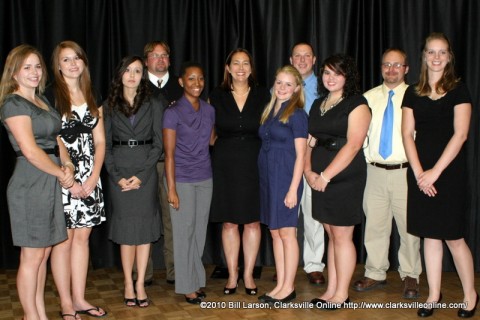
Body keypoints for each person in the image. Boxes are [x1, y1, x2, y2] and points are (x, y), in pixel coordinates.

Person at [401, 32, 477, 318]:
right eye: (431, 52)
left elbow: (461, 135)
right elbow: (407, 134)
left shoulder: (459, 89)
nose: (436, 57)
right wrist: (421, 172)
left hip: (448, 172)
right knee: (429, 236)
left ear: (449, 57)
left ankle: (470, 294)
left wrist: (435, 172)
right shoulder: (413, 91)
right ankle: (433, 295)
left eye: (441, 52)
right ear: (424, 57)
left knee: (454, 238)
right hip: (420, 172)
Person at [0, 44, 74, 320]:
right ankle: (31, 317)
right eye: (26, 67)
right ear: (14, 73)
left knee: (42, 254)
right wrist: (60, 173)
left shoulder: (42, 101)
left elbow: (57, 140)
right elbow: (30, 151)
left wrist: (67, 165)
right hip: (30, 184)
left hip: (51, 181)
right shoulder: (12, 103)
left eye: (37, 66)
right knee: (31, 258)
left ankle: (40, 314)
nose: (34, 72)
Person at [46, 40, 107, 319]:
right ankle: (66, 304)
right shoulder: (50, 96)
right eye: (66, 59)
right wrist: (68, 177)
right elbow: (54, 139)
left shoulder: (92, 94)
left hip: (91, 178)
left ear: (84, 62)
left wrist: (94, 177)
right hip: (63, 176)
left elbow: (101, 141)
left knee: (83, 238)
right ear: (58, 66)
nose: (72, 64)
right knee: (64, 240)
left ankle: (80, 299)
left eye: (77, 58)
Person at [353, 48, 421, 299]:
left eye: (397, 65)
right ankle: (375, 271)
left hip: (406, 171)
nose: (391, 70)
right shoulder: (367, 98)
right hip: (374, 172)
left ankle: (411, 273)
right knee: (375, 225)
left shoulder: (416, 96)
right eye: (386, 65)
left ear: (406, 69)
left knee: (409, 227)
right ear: (381, 67)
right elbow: (359, 134)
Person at [305, 54, 371, 309]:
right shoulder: (318, 103)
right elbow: (310, 141)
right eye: (327, 73)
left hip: (344, 177)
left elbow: (354, 145)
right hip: (318, 176)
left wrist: (325, 176)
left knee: (342, 236)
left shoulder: (357, 103)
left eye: (337, 73)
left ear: (348, 76)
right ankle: (330, 290)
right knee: (331, 234)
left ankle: (341, 294)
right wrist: (308, 172)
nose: (331, 78)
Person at [209, 48, 270, 296]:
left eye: (246, 63)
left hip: (255, 163)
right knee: (230, 222)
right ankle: (233, 274)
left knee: (253, 222)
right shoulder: (216, 95)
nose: (241, 67)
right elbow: (209, 132)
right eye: (236, 63)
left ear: (251, 68)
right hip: (225, 163)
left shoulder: (263, 94)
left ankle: (248, 275)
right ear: (228, 68)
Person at [104, 56, 164, 308]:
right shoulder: (107, 106)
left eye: (137, 71)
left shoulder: (154, 104)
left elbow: (159, 143)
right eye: (127, 70)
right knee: (127, 233)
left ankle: (140, 284)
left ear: (143, 75)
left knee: (143, 233)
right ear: (120, 74)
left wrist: (142, 174)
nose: (132, 75)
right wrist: (117, 177)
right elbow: (103, 146)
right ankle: (128, 282)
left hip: (145, 172)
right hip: (119, 171)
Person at [163, 62, 215, 304]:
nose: (197, 83)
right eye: (191, 79)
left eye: (201, 79)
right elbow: (169, 154)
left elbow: (211, 140)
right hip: (181, 179)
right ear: (181, 82)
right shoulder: (171, 113)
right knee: (184, 233)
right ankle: (187, 286)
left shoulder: (209, 109)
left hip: (205, 177)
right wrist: (171, 188)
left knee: (198, 233)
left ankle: (195, 279)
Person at [257, 65, 308, 303]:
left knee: (287, 233)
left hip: (286, 177)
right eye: (279, 82)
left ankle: (288, 287)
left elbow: (301, 155)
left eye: (289, 84)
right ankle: (280, 285)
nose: (283, 88)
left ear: (297, 88)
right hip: (269, 177)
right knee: (275, 233)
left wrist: (292, 189)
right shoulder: (270, 112)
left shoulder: (297, 114)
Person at [143, 40, 183, 286]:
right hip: (144, 163)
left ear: (169, 59)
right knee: (143, 217)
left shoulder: (181, 87)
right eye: (154, 55)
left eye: (164, 55)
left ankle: (175, 272)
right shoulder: (135, 83)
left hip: (173, 163)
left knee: (173, 219)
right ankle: (143, 272)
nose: (159, 60)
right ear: (146, 60)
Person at [289, 42, 325, 285]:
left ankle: (313, 265)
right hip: (287, 161)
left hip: (314, 160)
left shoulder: (326, 88)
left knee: (314, 216)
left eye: (307, 56)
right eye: (297, 56)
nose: (302, 60)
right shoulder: (281, 86)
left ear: (314, 60)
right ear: (291, 60)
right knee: (287, 215)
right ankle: (287, 262)